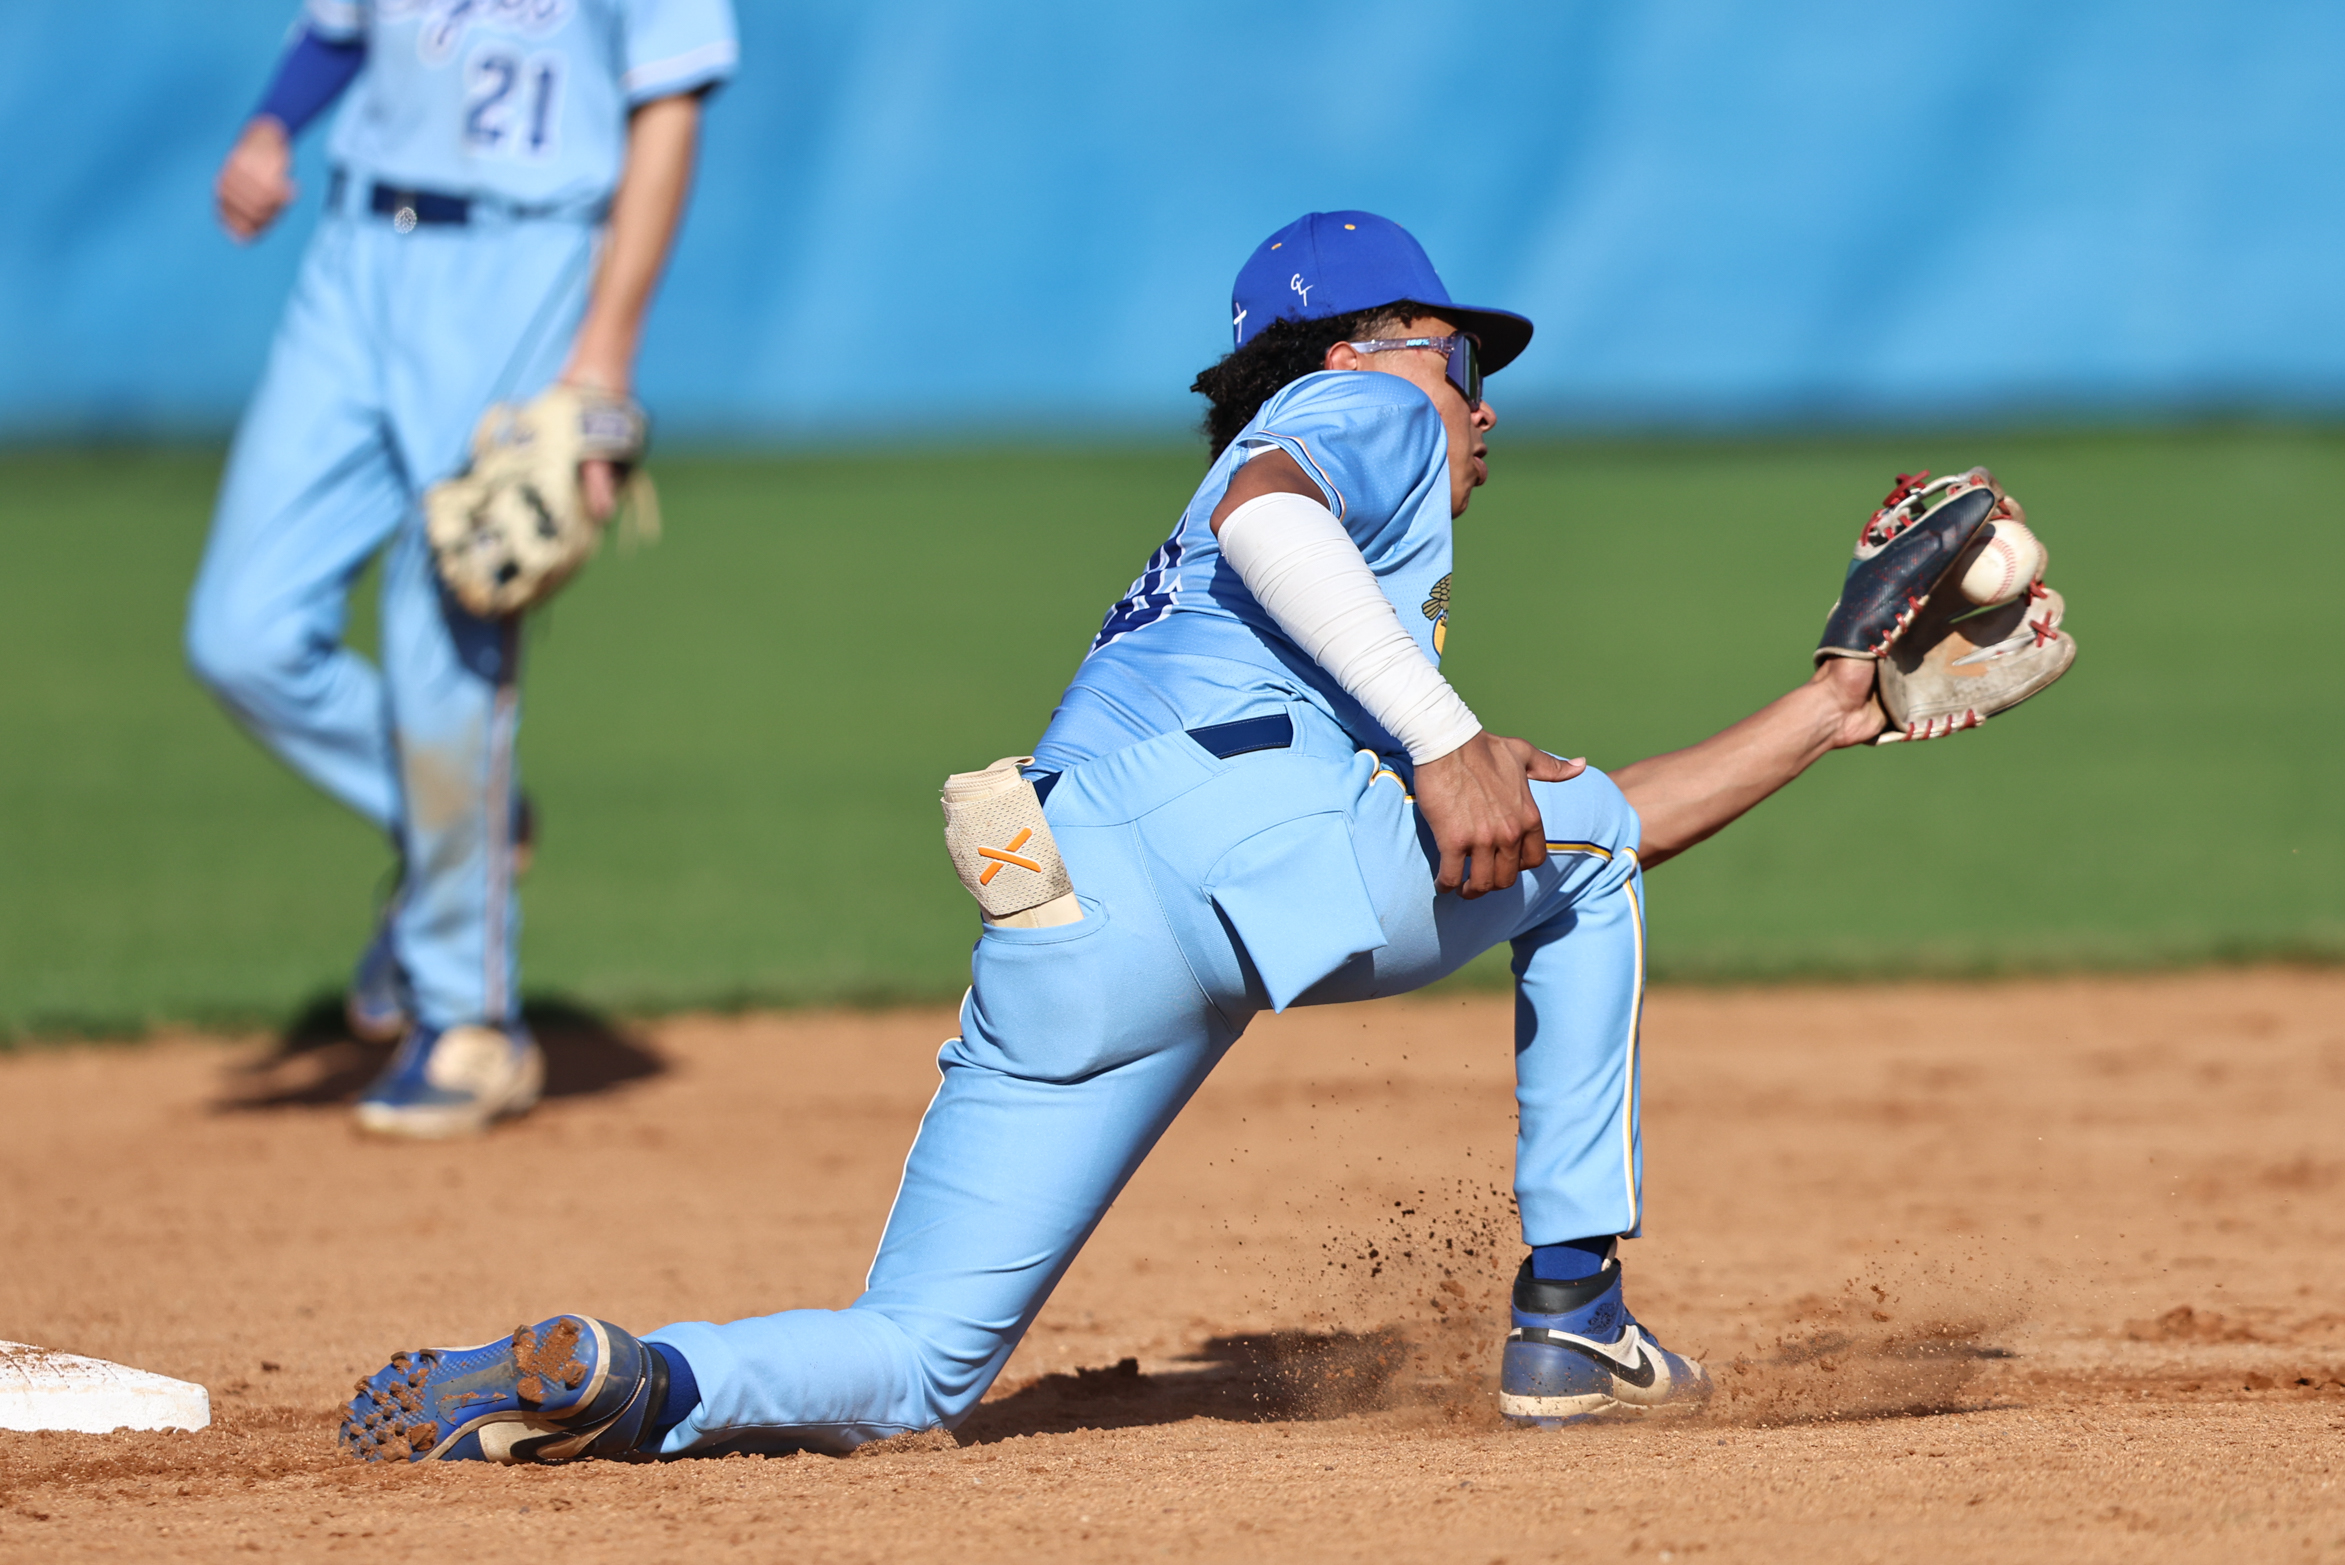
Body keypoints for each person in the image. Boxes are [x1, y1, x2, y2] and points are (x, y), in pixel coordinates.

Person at [339, 210, 1960, 1460]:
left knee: (915, 1365)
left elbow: (1322, 633)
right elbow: (1275, 519)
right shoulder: (1364, 410)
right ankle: (1578, 1317)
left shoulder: (1249, 547)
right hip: (1231, 837)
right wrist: (1456, 741)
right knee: (1583, 862)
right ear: (1380, 343)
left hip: (1056, 903)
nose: (1482, 406)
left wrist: (1794, 712)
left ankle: (639, 1376)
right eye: (1471, 360)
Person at [186, 0, 736, 1137]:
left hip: (527, 256)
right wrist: (268, 128)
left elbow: (667, 111)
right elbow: (337, 30)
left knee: (447, 636)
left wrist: (603, 366)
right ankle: (476, 829)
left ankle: (468, 1022)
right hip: (352, 254)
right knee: (239, 632)